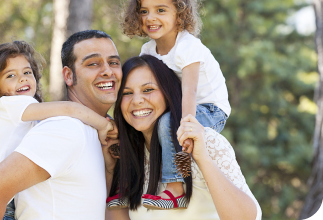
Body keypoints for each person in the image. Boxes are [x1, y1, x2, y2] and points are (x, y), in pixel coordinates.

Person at [0, 30, 121, 220]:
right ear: (68, 76)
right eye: (93, 63)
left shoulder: (78, 131)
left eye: (114, 62)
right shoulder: (64, 128)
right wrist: (105, 125)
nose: (107, 70)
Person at [113, 0, 231, 208]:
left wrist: (186, 126)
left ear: (180, 13)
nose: (150, 17)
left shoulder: (188, 47)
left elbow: (190, 91)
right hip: (177, 105)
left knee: (167, 123)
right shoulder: (148, 49)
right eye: (144, 11)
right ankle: (129, 188)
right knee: (138, 126)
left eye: (160, 10)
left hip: (209, 109)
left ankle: (175, 189)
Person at [106, 55, 262, 219]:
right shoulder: (130, 157)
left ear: (169, 93)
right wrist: (110, 170)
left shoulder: (205, 142)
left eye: (148, 90)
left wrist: (202, 158)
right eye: (127, 93)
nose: (137, 100)